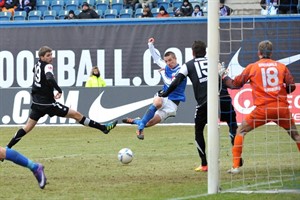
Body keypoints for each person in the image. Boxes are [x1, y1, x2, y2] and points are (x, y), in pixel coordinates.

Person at [6, 46, 117, 149]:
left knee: (27, 128)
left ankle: (7, 148)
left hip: (37, 103)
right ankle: (104, 128)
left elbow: (37, 74)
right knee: (76, 115)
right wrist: (58, 89)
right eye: (48, 55)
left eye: (51, 54)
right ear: (41, 57)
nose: (51, 57)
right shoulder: (48, 66)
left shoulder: (37, 64)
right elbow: (49, 78)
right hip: (48, 104)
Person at [220, 40, 300, 174]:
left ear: (259, 53)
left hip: (262, 110)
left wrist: (223, 76)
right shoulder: (281, 67)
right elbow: (291, 86)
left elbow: (235, 85)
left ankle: (235, 167)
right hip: (281, 109)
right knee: (296, 136)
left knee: (241, 131)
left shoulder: (252, 67)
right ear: (271, 53)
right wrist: (279, 93)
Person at [159, 41, 240, 172]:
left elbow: (176, 81)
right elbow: (226, 79)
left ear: (192, 53)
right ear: (205, 51)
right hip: (223, 97)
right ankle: (237, 161)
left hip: (205, 102)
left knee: (199, 130)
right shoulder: (215, 62)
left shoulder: (188, 65)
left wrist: (165, 93)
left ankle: (204, 164)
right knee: (232, 124)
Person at [122, 37, 187, 140]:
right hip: (164, 96)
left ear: (175, 59)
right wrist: (150, 45)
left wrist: (162, 73)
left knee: (148, 123)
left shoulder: (181, 70)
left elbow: (171, 84)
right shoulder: (166, 67)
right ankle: (140, 128)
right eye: (166, 61)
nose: (168, 63)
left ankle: (137, 121)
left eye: (170, 60)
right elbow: (157, 59)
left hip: (173, 103)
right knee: (158, 102)